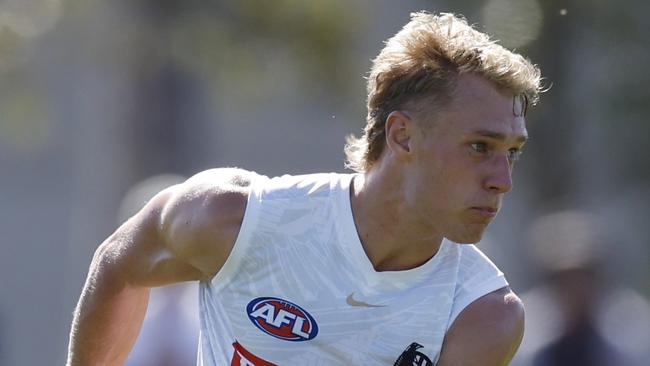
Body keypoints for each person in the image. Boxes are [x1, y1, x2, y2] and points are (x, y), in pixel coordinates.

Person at [67, 11, 541, 365]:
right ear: (402, 136)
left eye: (512, 152)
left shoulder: (482, 315)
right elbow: (119, 267)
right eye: (480, 146)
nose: (503, 179)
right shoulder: (234, 218)